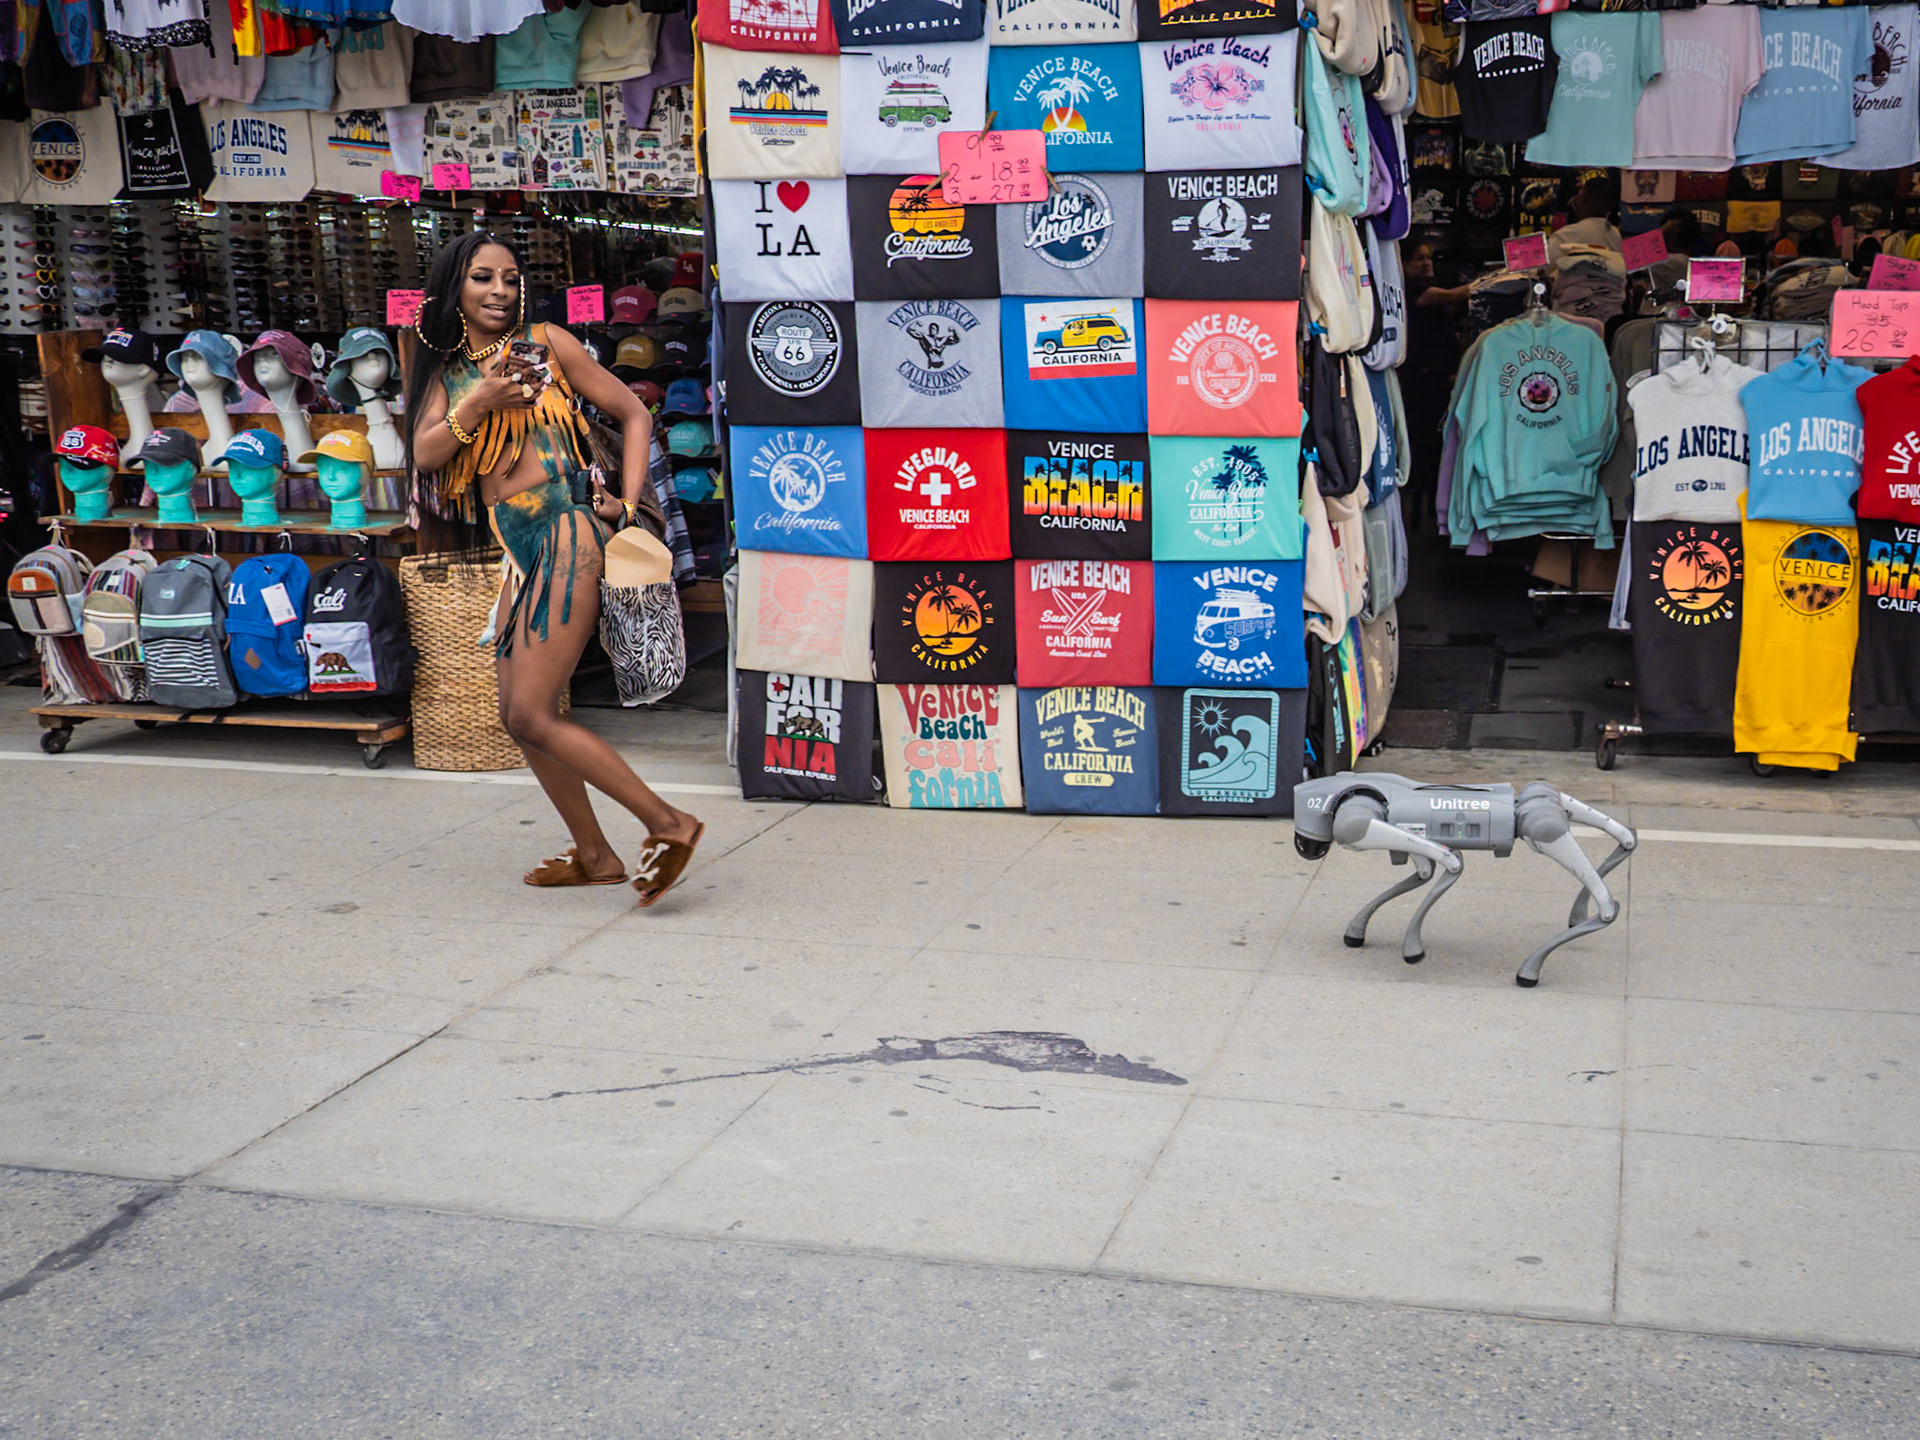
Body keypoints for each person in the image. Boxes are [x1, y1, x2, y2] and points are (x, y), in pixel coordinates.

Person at [405, 232, 703, 906]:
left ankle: (669, 823)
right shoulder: (449, 371)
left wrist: (626, 506)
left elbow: (633, 414)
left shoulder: (549, 341)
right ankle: (595, 854)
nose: (499, 291)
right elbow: (425, 455)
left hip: (568, 528)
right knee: (516, 714)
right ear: (454, 286)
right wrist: (478, 403)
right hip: (519, 547)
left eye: (510, 278)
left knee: (536, 712)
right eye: (483, 278)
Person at [1402, 240, 1469, 531]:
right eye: (1419, 258)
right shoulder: (1411, 289)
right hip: (1421, 380)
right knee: (1426, 439)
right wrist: (1494, 281)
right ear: (1403, 264)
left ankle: (1430, 502)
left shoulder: (1426, 288)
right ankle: (1423, 500)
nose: (1426, 263)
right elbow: (1452, 296)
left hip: (1436, 378)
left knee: (1434, 440)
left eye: (1429, 258)